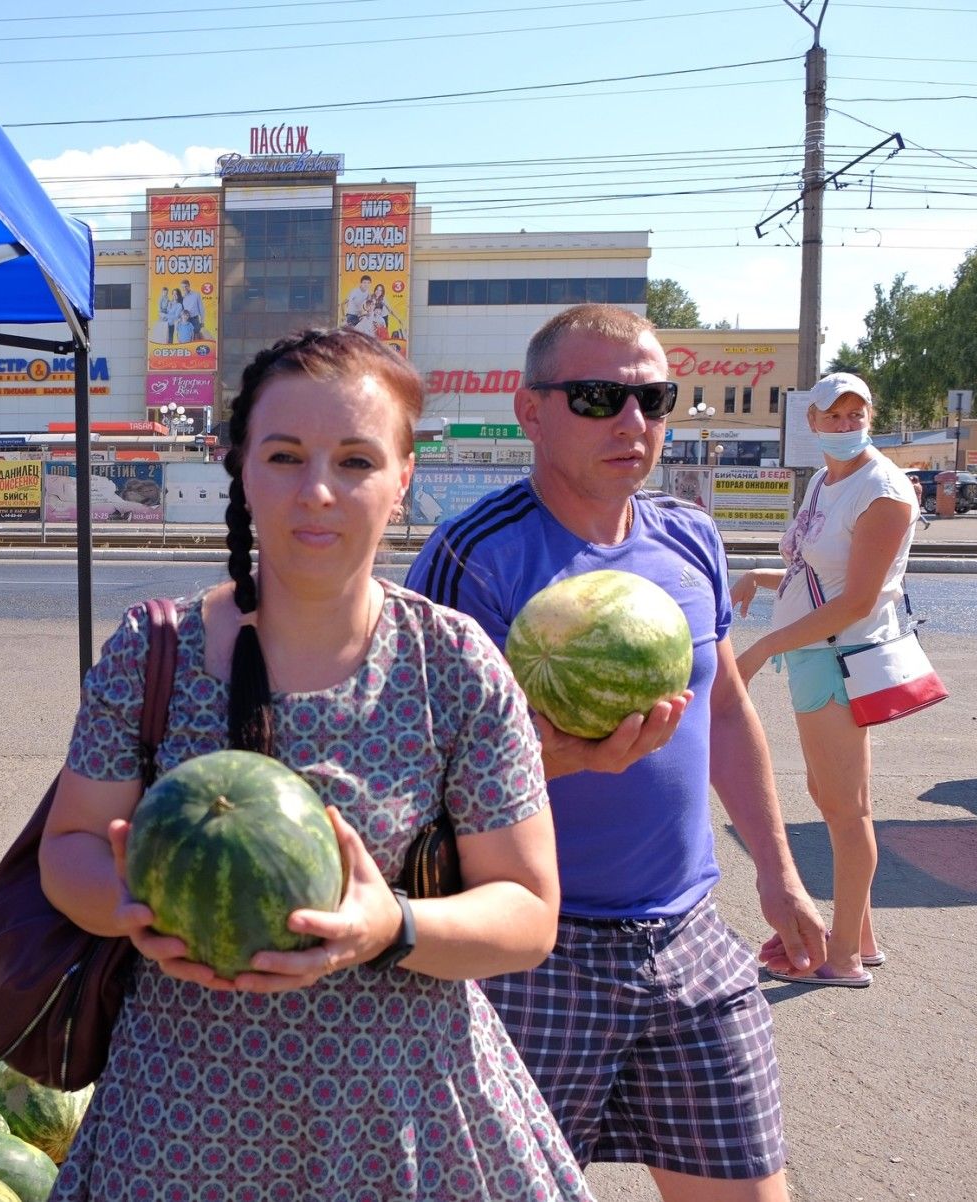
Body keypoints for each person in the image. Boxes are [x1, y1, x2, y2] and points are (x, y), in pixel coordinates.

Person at [42, 328, 590, 1199]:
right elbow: (69, 847)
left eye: (358, 461)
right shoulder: (153, 650)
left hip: (408, 1118)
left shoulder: (452, 664)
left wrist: (391, 929)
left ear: (404, 476)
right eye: (286, 455)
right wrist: (136, 908)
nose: (318, 492)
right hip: (183, 1119)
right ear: (241, 467)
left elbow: (528, 913)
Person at [407, 303, 827, 1201]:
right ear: (531, 411)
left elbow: (725, 710)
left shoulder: (691, 537)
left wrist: (778, 873)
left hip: (690, 938)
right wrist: (561, 764)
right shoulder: (471, 558)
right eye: (598, 397)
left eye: (653, 397)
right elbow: (416, 779)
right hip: (533, 955)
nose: (632, 423)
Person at [730, 372, 917, 988]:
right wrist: (759, 577)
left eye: (855, 414)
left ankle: (842, 961)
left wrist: (762, 651)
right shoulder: (825, 481)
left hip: (840, 657)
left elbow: (856, 601)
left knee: (846, 808)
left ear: (870, 416)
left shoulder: (882, 491)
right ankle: (859, 937)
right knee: (831, 798)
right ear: (811, 422)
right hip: (815, 658)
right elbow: (818, 570)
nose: (845, 425)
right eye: (833, 416)